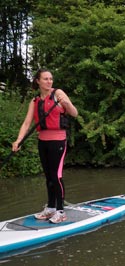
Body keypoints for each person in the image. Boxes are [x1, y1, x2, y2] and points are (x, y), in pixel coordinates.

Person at [12, 68, 78, 224]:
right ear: (38, 81)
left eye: (51, 79)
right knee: (48, 177)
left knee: (57, 176)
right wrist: (18, 140)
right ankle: (50, 208)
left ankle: (60, 211)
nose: (49, 81)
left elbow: (74, 113)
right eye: (46, 79)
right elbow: (27, 123)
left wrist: (66, 102)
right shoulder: (35, 101)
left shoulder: (58, 94)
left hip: (58, 141)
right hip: (43, 142)